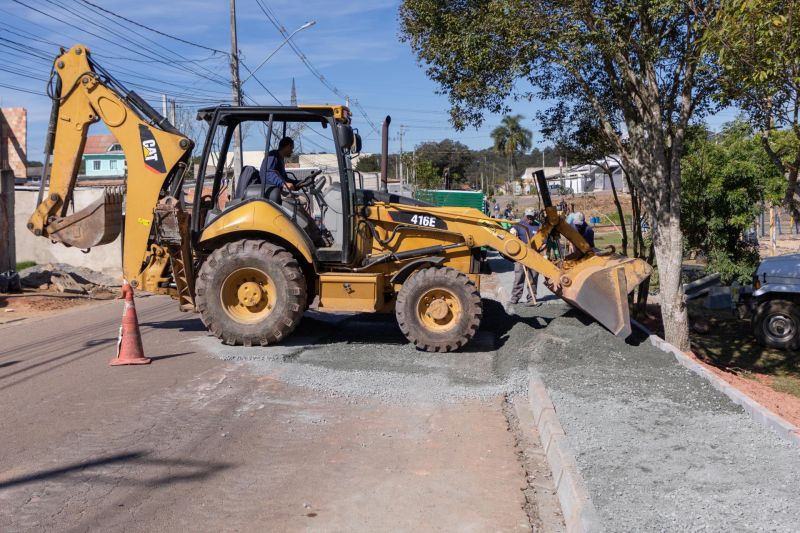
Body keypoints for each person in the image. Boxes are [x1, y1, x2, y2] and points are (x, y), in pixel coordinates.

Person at [509, 208, 540, 305]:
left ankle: (531, 298)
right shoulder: (519, 225)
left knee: (533, 277)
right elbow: (511, 236)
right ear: (525, 215)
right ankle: (515, 297)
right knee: (519, 277)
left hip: (534, 256)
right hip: (521, 255)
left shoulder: (538, 226)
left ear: (534, 216)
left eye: (532, 216)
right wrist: (512, 232)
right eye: (528, 216)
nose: (530, 218)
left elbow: (544, 242)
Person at [260, 137, 295, 204]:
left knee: (300, 197)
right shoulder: (273, 156)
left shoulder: (281, 159)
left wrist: (299, 183)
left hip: (277, 190)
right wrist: (283, 184)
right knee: (302, 199)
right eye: (291, 148)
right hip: (270, 191)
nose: (292, 151)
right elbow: (267, 173)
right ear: (288, 146)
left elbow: (285, 179)